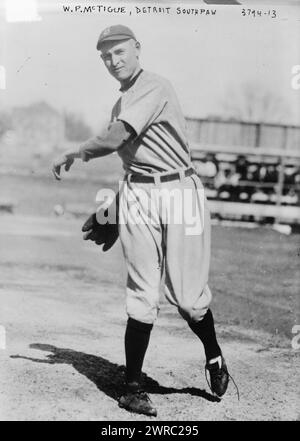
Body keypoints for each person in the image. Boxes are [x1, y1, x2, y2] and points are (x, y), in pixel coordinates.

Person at [52, 25, 232, 417]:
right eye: (105, 56)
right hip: (138, 193)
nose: (113, 61)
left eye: (119, 52)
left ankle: (214, 355)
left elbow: (116, 137)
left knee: (187, 297)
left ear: (137, 49)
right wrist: (116, 208)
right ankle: (132, 388)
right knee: (142, 291)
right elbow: (132, 160)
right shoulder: (121, 102)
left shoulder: (154, 86)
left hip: (179, 190)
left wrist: (77, 152)